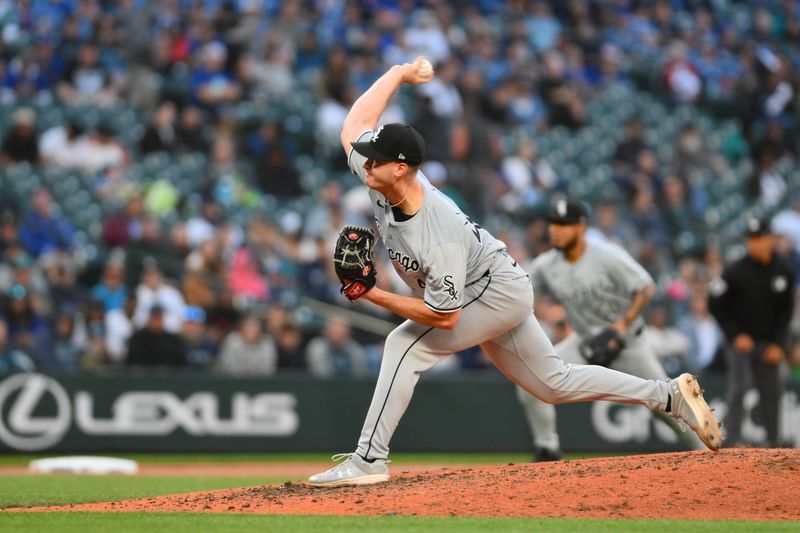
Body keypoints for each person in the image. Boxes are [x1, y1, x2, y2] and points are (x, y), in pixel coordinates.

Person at [308, 58, 721, 488]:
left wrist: (371, 294)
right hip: (490, 283)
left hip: (491, 292)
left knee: (404, 345)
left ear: (399, 168)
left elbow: (445, 317)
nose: (363, 163)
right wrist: (397, 73)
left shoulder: (437, 232)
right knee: (553, 383)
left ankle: (370, 459)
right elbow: (353, 124)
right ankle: (667, 394)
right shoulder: (382, 174)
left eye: (373, 159)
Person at [515, 200, 703, 462]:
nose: (555, 230)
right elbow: (521, 296)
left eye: (564, 225)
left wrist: (620, 327)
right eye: (553, 224)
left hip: (627, 343)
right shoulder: (546, 264)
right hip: (584, 341)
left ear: (581, 227)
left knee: (665, 406)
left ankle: (705, 452)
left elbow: (646, 287)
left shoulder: (606, 254)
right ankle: (547, 449)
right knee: (530, 380)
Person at [708, 217, 795, 447]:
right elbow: (714, 300)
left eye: (759, 239)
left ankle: (773, 443)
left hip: (768, 342)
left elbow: (786, 310)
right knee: (741, 384)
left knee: (772, 389)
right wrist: (735, 334)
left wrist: (778, 344)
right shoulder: (737, 269)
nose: (754, 244)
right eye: (751, 239)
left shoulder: (783, 269)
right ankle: (730, 441)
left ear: (770, 239)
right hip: (741, 342)